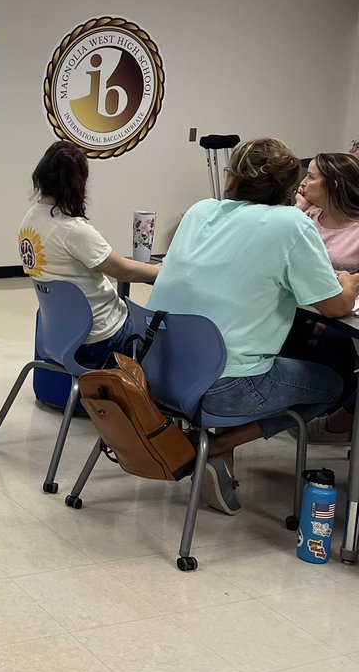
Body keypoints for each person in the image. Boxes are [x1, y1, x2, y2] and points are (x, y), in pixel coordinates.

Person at [148, 138, 357, 515]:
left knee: (252, 350)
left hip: (159, 373)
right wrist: (348, 286)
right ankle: (215, 447)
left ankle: (215, 450)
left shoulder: (200, 211)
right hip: (221, 388)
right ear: (289, 186)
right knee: (331, 385)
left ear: (232, 180)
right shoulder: (291, 224)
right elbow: (335, 306)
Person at [17, 142, 160, 368]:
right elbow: (124, 270)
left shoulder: (30, 219)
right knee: (158, 330)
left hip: (59, 334)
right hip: (101, 338)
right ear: (76, 184)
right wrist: (161, 270)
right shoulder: (72, 229)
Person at [287, 152, 359, 442]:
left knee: (335, 337)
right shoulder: (307, 218)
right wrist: (299, 207)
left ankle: (332, 409)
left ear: (334, 185)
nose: (303, 183)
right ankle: (293, 403)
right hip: (305, 307)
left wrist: (331, 306)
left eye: (311, 176)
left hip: (344, 312)